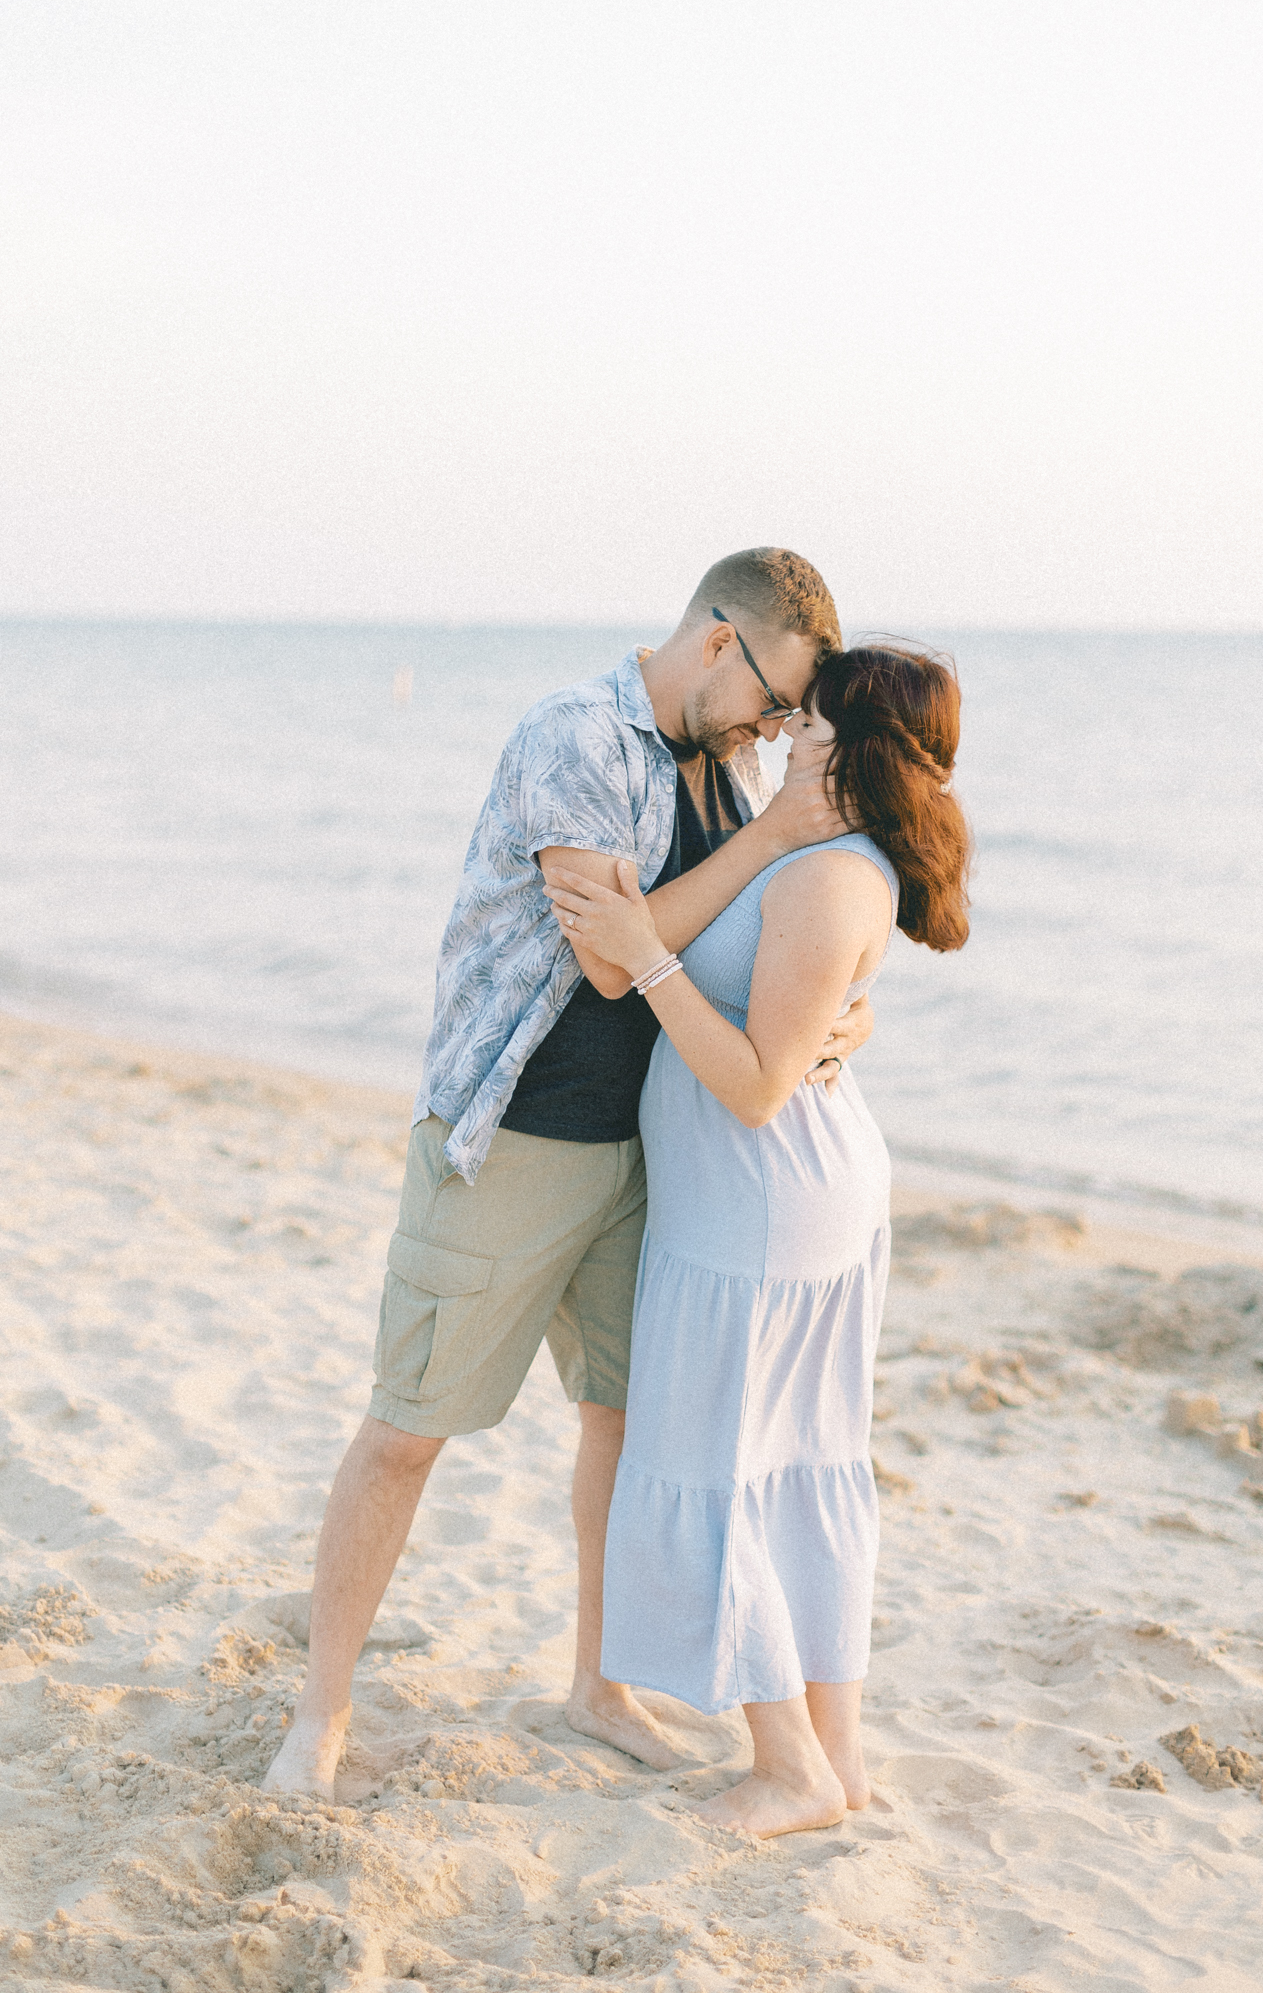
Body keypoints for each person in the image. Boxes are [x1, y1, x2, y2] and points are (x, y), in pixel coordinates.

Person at [264, 548, 877, 1801]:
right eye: (771, 694)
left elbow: (741, 934)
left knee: (617, 1418)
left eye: (786, 712)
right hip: (516, 1134)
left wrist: (843, 1016)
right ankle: (319, 1712)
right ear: (719, 640)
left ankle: (596, 1681)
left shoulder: (735, 760)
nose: (774, 723)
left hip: (652, 1149)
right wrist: (767, 835)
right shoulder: (575, 737)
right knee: (409, 1428)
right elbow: (612, 962)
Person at [542, 641, 971, 1838]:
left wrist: (650, 958)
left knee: (719, 1470)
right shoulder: (815, 853)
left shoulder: (829, 878)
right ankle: (838, 1751)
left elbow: (753, 1085)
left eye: (812, 727)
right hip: (771, 1201)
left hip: (760, 1205)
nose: (786, 736)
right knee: (790, 1469)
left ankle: (788, 1764)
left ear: (858, 751)